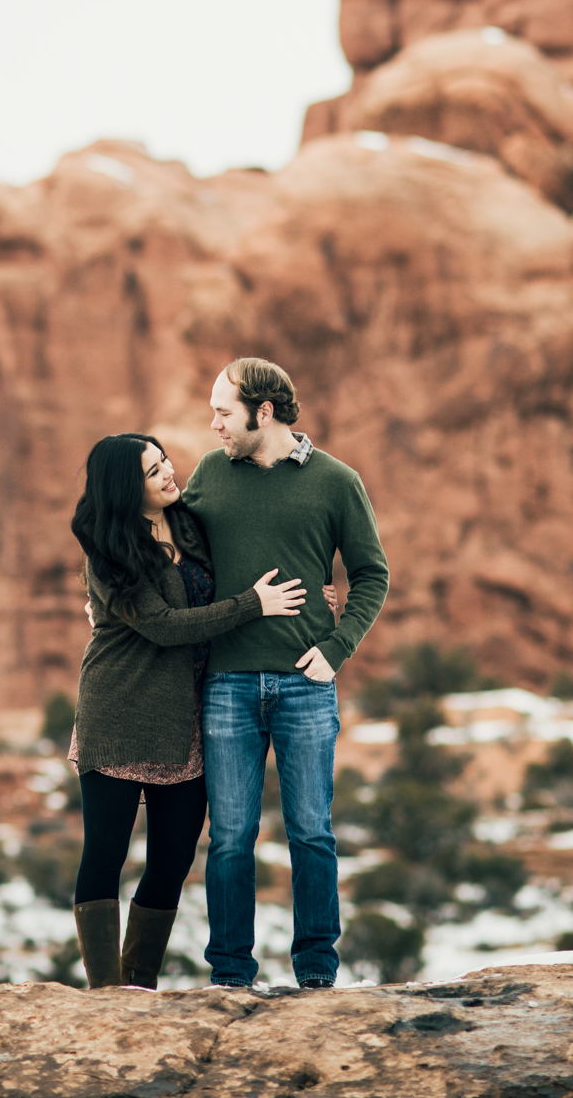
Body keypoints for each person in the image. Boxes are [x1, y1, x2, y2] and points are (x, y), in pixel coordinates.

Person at [67, 432, 310, 990]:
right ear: (127, 489)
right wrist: (254, 605)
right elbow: (165, 626)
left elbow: (251, 551)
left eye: (164, 461)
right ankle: (106, 994)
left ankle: (139, 983)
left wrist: (313, 594)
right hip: (120, 714)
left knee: (174, 858)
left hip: (186, 721)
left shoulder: (188, 521)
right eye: (153, 472)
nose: (168, 474)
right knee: (105, 855)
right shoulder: (109, 553)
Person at [182, 357, 389, 990]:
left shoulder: (336, 481)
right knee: (230, 839)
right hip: (227, 684)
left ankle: (317, 976)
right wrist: (107, 592)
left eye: (224, 411)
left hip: (306, 683)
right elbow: (166, 549)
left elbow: (371, 575)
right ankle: (230, 976)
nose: (214, 423)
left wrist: (336, 648)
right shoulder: (210, 475)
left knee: (311, 834)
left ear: (262, 412)